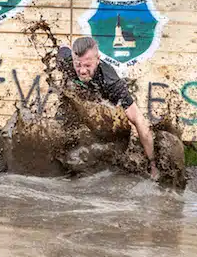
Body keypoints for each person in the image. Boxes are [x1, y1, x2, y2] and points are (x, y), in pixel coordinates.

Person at [57, 37, 159, 180]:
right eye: (78, 65)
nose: (82, 71)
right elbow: (62, 47)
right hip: (79, 98)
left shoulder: (111, 82)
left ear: (98, 59)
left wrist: (152, 163)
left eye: (87, 65)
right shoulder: (66, 61)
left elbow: (138, 119)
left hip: (105, 104)